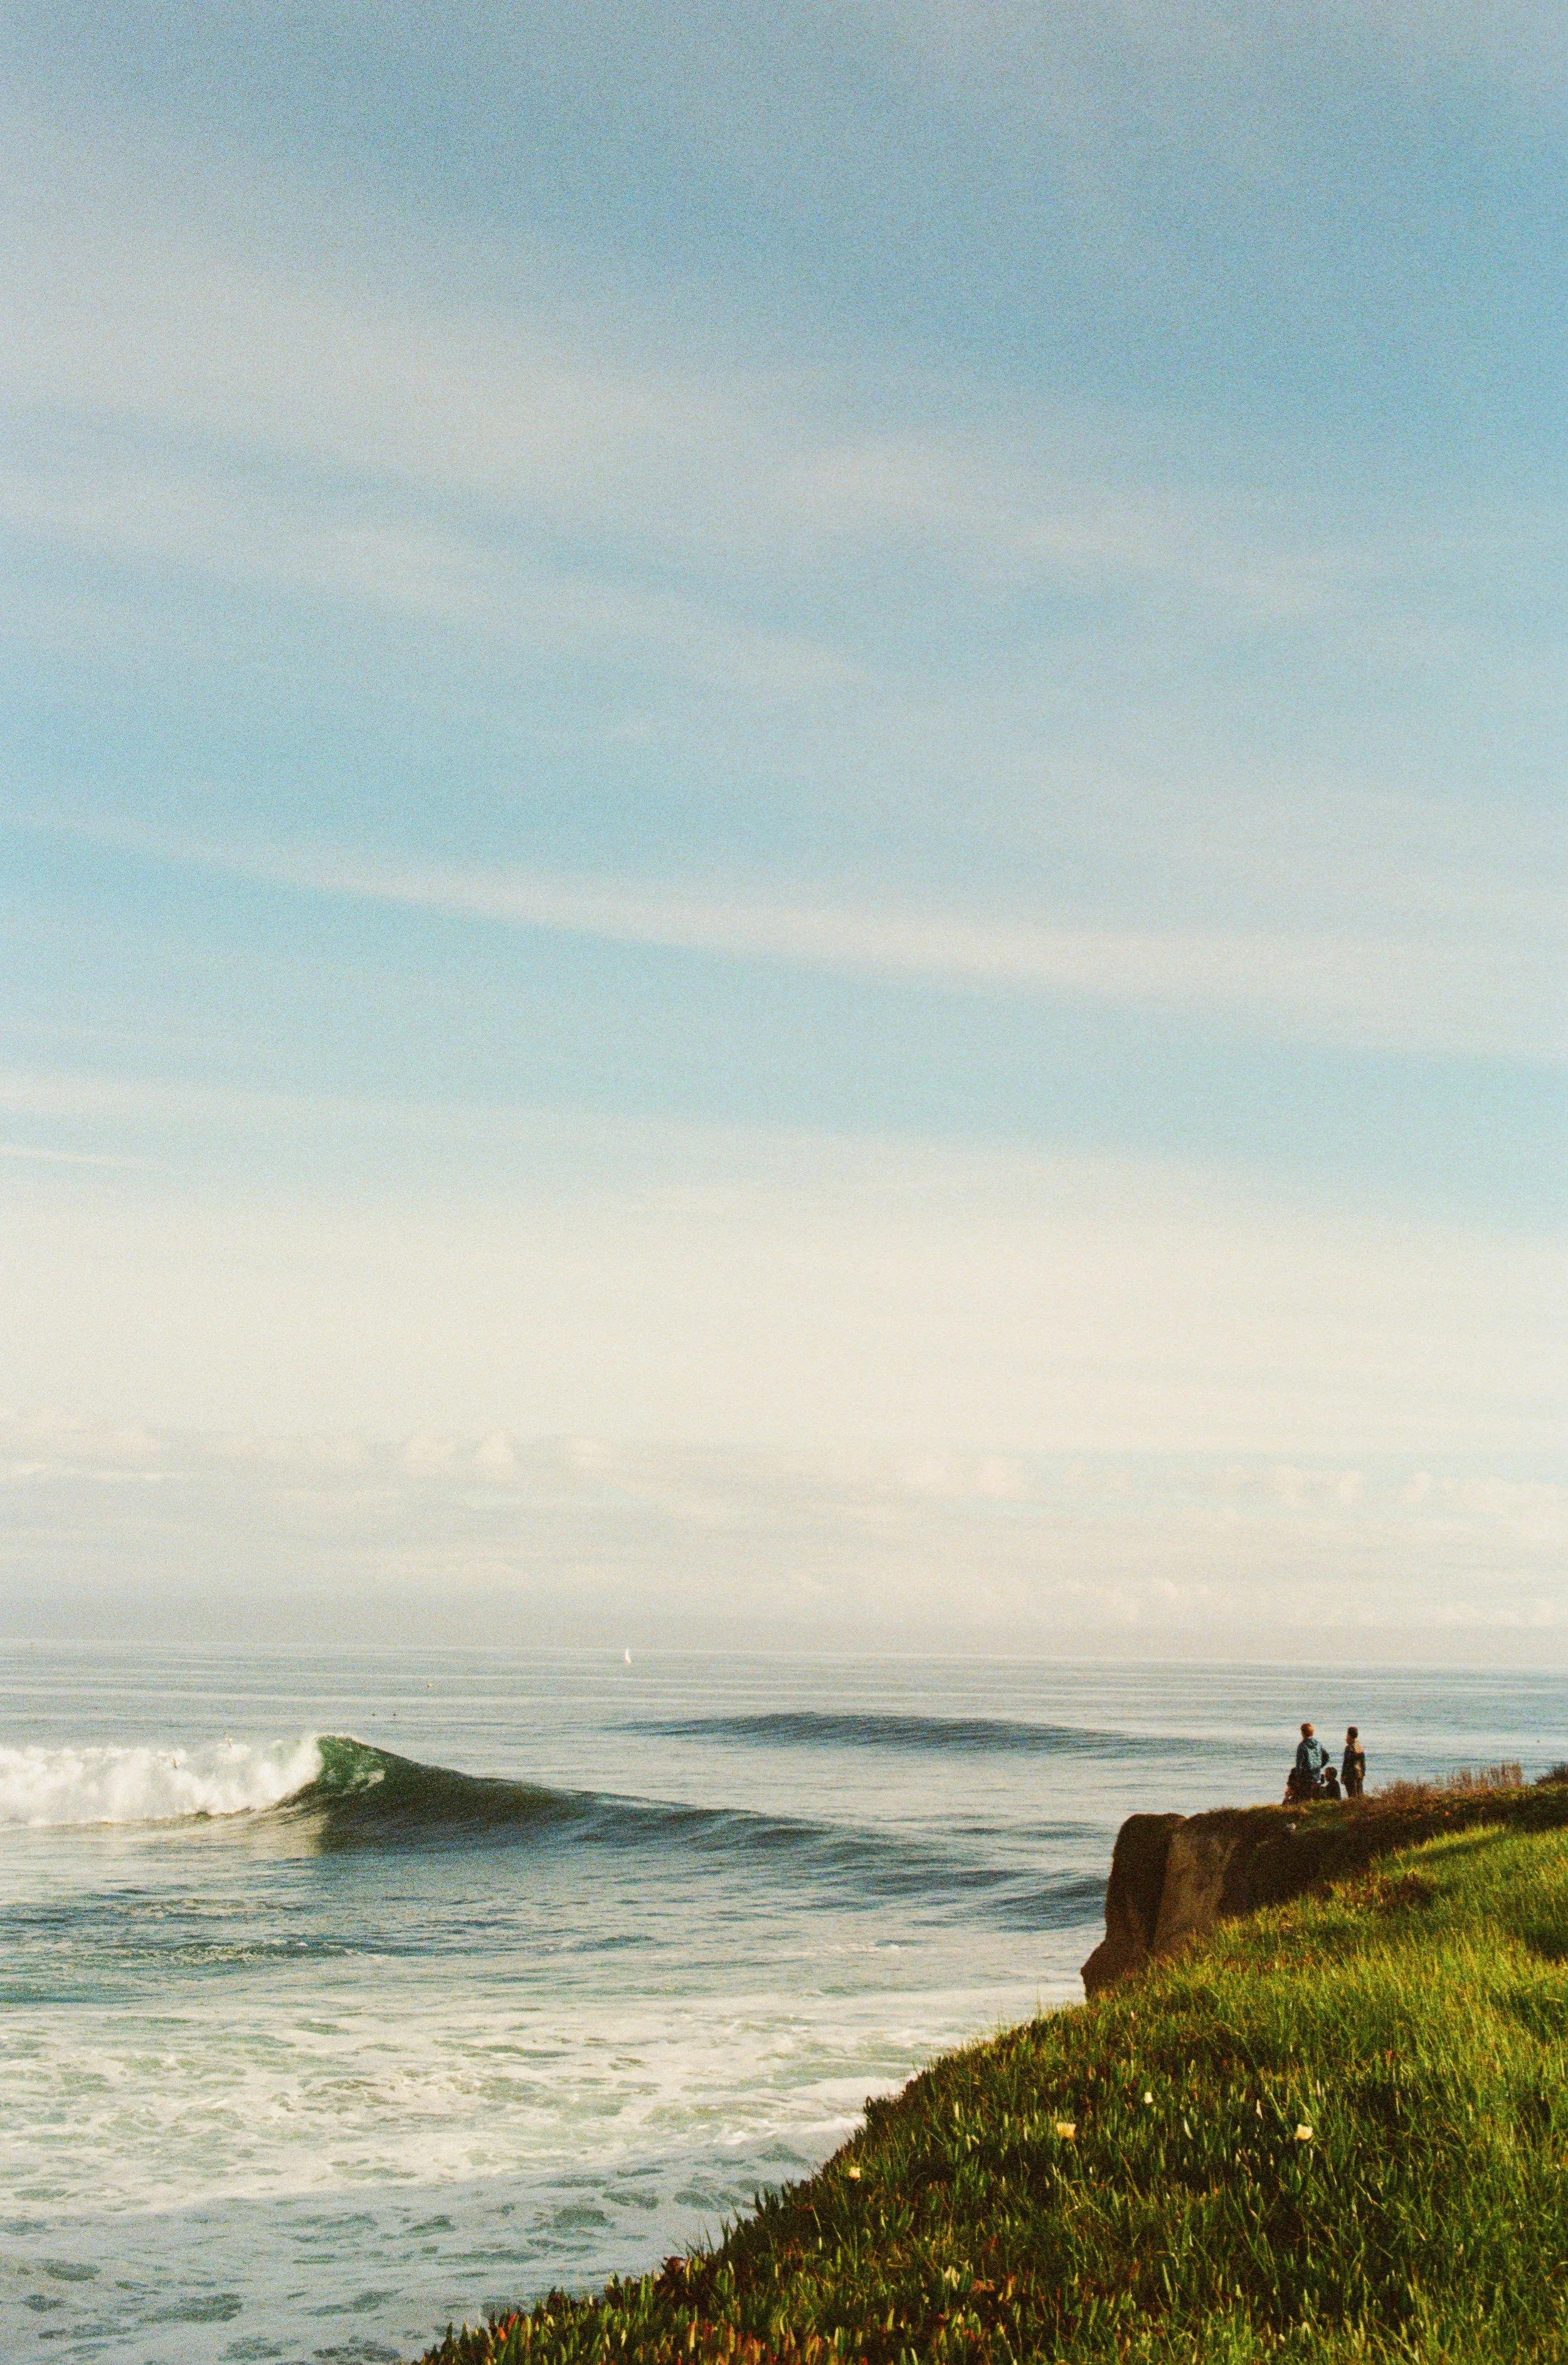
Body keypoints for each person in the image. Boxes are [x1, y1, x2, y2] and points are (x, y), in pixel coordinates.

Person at [1286, 1721, 1326, 1802]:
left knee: (1304, 1797)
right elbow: (1327, 1757)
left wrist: (1298, 1778)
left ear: (1303, 1733)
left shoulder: (1302, 1746)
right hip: (1317, 1775)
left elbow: (1299, 1764)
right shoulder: (1318, 1744)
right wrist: (1318, 1766)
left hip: (1306, 1777)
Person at [1342, 1726, 1365, 1799]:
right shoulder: (1360, 1747)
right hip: (1359, 1774)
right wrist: (1363, 1774)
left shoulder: (1349, 1748)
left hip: (1351, 1774)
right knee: (1360, 1794)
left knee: (1352, 1795)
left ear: (1349, 1736)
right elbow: (1363, 1763)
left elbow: (1347, 1763)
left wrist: (1343, 1775)